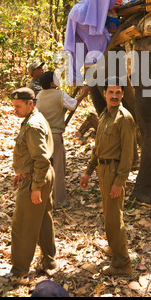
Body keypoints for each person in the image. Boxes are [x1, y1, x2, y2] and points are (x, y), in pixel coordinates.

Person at [80, 77, 136, 277]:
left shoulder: (125, 118)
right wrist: (88, 171)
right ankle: (114, 247)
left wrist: (119, 182)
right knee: (109, 214)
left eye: (118, 92)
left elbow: (128, 155)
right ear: (104, 94)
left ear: (122, 95)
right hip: (103, 171)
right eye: (111, 92)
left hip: (114, 172)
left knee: (114, 218)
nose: (114, 96)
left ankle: (122, 264)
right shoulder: (105, 115)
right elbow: (98, 149)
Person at [64, 0, 150, 83]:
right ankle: (96, 66)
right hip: (82, 17)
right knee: (103, 40)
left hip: (77, 15)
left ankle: (76, 77)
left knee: (79, 47)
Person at [8, 87, 56, 280]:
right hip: (37, 176)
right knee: (44, 220)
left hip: (37, 178)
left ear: (31, 103)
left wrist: (36, 187)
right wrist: (21, 172)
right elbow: (31, 154)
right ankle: (48, 261)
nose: (15, 110)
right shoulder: (33, 119)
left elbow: (41, 159)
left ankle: (19, 271)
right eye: (14, 106)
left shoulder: (33, 125)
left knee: (23, 226)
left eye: (18, 106)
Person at [36, 71, 89, 209]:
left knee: (43, 168)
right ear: (52, 83)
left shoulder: (39, 95)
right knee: (58, 169)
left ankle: (42, 197)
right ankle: (59, 201)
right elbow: (72, 105)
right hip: (54, 136)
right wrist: (84, 92)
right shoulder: (59, 95)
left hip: (41, 136)